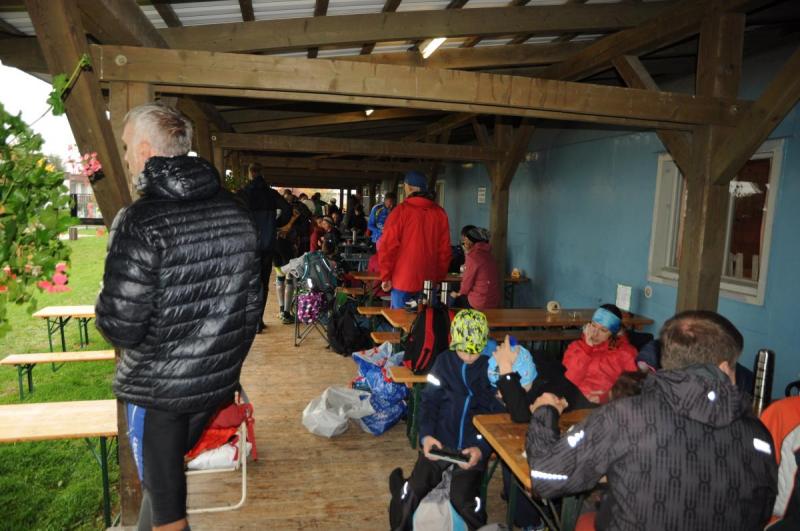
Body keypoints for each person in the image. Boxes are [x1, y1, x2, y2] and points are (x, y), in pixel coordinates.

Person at [95, 102, 261, 531]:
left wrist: (105, 296)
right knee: (161, 494)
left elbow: (120, 326)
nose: (126, 156)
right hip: (212, 386)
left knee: (169, 512)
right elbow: (250, 310)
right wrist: (220, 363)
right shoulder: (235, 212)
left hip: (159, 393)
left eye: (127, 146)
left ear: (145, 150)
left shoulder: (140, 220)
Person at [526, 310, 778, 531]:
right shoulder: (758, 434)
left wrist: (545, 412)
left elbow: (545, 476)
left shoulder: (625, 417)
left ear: (666, 358)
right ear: (723, 369)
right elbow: (763, 511)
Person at [388, 310, 504, 530]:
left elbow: (495, 417)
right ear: (453, 342)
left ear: (483, 345)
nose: (468, 356)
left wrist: (481, 449)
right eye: (462, 350)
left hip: (472, 448)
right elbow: (429, 403)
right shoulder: (443, 362)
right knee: (412, 491)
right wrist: (426, 436)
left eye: (474, 351)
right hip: (440, 442)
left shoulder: (492, 370)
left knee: (465, 501)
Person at [378, 171, 451, 309]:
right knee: (426, 321)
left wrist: (386, 276)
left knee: (400, 320)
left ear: (408, 187)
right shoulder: (440, 213)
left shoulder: (400, 211)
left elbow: (388, 247)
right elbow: (444, 251)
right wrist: (438, 278)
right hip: (429, 281)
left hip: (403, 280)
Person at [238, 163, 291, 332]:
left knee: (248, 284)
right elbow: (287, 210)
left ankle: (249, 321)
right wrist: (276, 224)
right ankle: (258, 321)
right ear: (262, 173)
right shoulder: (271, 194)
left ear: (249, 174)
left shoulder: (243, 194)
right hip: (267, 244)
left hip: (248, 246)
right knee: (263, 282)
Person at [561, 305, 637, 405]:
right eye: (593, 326)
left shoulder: (626, 353)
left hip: (609, 406)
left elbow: (634, 387)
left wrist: (607, 397)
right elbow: (569, 381)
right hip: (574, 401)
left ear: (614, 333)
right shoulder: (576, 347)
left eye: (603, 330)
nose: (595, 334)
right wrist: (586, 349)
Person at [449, 225, 500, 310]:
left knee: (451, 298)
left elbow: (466, 286)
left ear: (470, 241)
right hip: (493, 301)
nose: (464, 242)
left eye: (465, 240)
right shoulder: (489, 255)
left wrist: (456, 294)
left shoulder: (473, 256)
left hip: (479, 303)